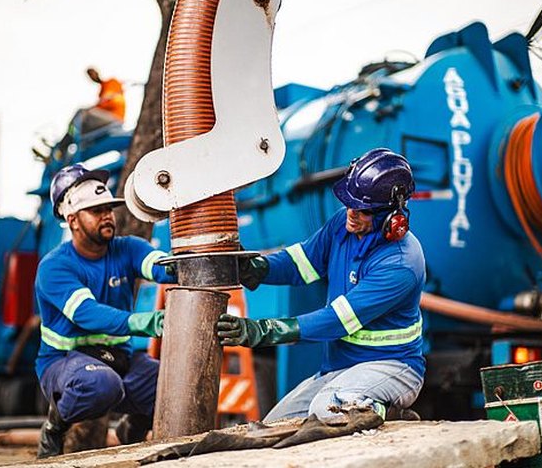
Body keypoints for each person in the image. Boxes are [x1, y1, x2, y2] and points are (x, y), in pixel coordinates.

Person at [217, 148, 425, 422]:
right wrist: (256, 268)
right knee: (273, 425)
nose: (351, 212)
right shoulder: (343, 225)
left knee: (329, 408)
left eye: (363, 210)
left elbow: (338, 320)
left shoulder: (401, 264)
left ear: (392, 217)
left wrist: (264, 331)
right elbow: (302, 262)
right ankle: (359, 403)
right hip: (340, 369)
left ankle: (386, 412)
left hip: (393, 367)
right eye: (349, 202)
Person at [34, 164, 174, 458]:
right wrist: (142, 322)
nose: (107, 216)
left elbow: (159, 266)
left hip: (118, 360)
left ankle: (130, 438)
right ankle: (54, 427)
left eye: (108, 209)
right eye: (96, 211)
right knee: (102, 384)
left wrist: (179, 266)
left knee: (169, 383)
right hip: (65, 363)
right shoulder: (55, 266)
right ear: (72, 220)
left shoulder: (128, 249)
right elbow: (86, 313)